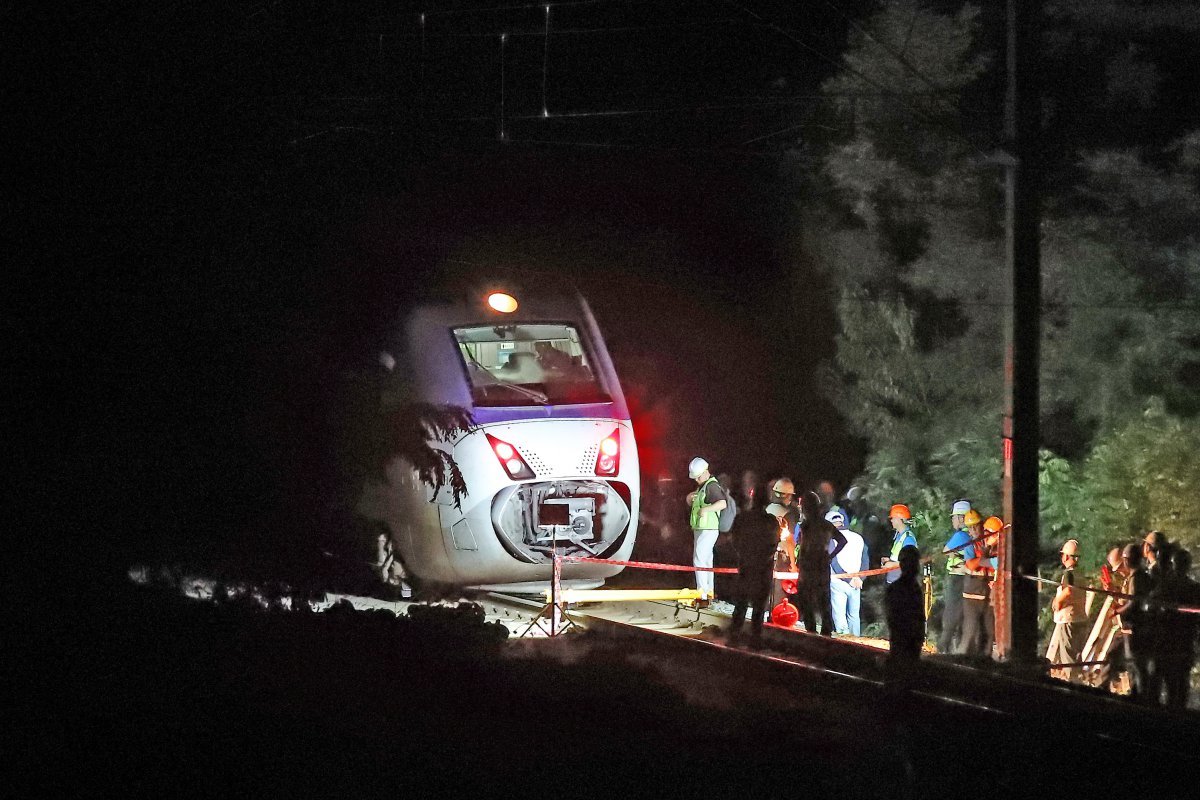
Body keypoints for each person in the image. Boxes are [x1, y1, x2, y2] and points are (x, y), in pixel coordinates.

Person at [727, 495, 783, 647]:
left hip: (746, 565)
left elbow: (734, 539)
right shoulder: (771, 521)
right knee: (758, 606)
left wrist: (743, 555)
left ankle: (734, 636)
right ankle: (755, 639)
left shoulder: (742, 518)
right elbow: (775, 542)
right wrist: (764, 558)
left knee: (741, 603)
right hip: (763, 568)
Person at [794, 491, 847, 636]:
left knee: (806, 596)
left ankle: (811, 628)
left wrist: (799, 562)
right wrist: (831, 555)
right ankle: (826, 629)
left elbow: (804, 546)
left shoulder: (806, 525)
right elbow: (842, 541)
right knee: (824, 597)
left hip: (809, 563)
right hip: (823, 562)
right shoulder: (827, 525)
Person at [1156, 548, 1199, 709]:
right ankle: (1178, 710)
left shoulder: (1167, 587)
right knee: (1180, 679)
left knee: (1173, 678)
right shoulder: (1193, 588)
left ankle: (1173, 710)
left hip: (1172, 638)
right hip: (1183, 638)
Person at [1113, 543, 1153, 702]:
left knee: (1136, 664)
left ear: (1128, 560)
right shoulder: (1145, 576)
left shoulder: (1136, 578)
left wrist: (1117, 611)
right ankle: (1139, 693)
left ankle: (1141, 697)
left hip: (1135, 627)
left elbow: (1133, 602)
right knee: (1138, 664)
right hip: (1143, 626)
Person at [685, 457, 727, 606]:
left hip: (707, 528)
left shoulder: (711, 486)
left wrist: (706, 509)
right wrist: (690, 498)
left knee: (699, 558)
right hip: (702, 528)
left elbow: (722, 503)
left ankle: (702, 593)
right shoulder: (704, 486)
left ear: (705, 472)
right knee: (706, 560)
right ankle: (708, 592)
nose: (696, 479)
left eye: (697, 476)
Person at [1046, 539, 1087, 683]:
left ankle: (1074, 685)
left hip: (1068, 620)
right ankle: (1078, 682)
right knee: (1076, 658)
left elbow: (1068, 590)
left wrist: (1058, 601)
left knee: (1068, 659)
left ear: (1066, 557)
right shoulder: (1081, 574)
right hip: (1080, 620)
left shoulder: (1069, 574)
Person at [958, 511, 998, 658]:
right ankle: (961, 661)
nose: (974, 530)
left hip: (987, 597)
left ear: (981, 525)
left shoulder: (991, 543)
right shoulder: (970, 545)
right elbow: (971, 564)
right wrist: (987, 559)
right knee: (970, 632)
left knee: (988, 633)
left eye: (976, 526)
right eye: (970, 527)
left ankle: (985, 663)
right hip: (972, 596)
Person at [938, 499, 973, 655]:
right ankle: (958, 647)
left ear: (961, 518)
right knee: (962, 612)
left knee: (952, 612)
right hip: (966, 577)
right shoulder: (971, 535)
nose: (952, 520)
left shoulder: (960, 536)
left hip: (956, 577)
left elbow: (945, 551)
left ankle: (943, 645)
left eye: (954, 517)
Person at [828, 509, 868, 636]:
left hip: (838, 581)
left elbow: (833, 562)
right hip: (856, 582)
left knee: (839, 615)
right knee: (854, 616)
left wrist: (848, 579)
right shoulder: (858, 538)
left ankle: (843, 641)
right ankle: (856, 641)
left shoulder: (832, 540)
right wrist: (860, 578)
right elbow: (865, 561)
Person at [886, 544, 926, 664]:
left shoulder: (894, 588)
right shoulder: (914, 589)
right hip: (908, 642)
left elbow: (891, 618)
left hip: (900, 641)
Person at [881, 504, 918, 584]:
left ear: (899, 519)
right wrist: (890, 560)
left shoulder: (908, 539)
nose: (891, 520)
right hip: (894, 580)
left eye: (893, 518)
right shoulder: (900, 535)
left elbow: (910, 561)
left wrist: (892, 564)